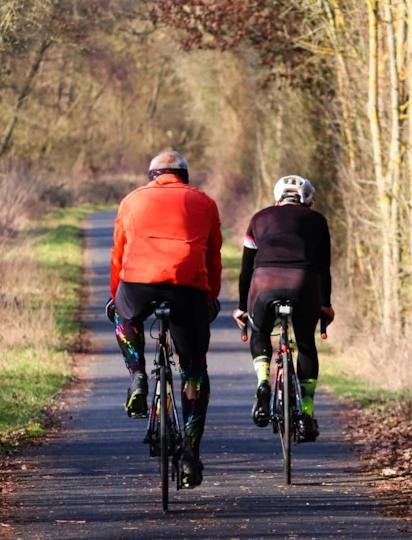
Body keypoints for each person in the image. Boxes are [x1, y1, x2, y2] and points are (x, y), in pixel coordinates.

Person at [107, 151, 222, 488]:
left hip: (138, 283)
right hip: (188, 288)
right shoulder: (205, 202)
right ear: (183, 176)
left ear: (152, 175)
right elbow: (212, 256)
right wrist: (210, 296)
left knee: (125, 319)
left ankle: (138, 376)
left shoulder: (132, 200)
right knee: (193, 370)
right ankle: (190, 453)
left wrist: (118, 297)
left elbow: (118, 253)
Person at [232, 175, 334, 442]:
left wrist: (243, 307)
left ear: (278, 198)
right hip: (304, 284)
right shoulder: (318, 221)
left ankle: (264, 381)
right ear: (307, 200)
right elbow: (324, 269)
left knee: (260, 331)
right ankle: (308, 413)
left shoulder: (259, 218)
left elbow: (246, 270)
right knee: (306, 344)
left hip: (264, 283)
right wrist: (326, 305)